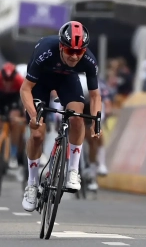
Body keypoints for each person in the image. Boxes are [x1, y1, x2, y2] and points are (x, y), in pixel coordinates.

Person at [20, 21, 102, 212]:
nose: (74, 56)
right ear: (60, 46)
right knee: (38, 133)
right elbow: (25, 89)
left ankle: (73, 171)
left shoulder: (88, 60)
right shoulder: (44, 51)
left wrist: (96, 121)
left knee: (76, 118)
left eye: (79, 52)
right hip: (39, 83)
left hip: (67, 81)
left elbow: (95, 95)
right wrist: (33, 115)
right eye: (69, 51)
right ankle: (32, 183)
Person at [82, 77, 112, 190]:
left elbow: (107, 103)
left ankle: (98, 166)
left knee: (96, 135)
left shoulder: (99, 85)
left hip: (94, 104)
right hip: (77, 104)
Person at [0, 62, 26, 169]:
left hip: (14, 98)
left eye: (11, 80)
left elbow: (25, 98)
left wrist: (24, 115)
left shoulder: (20, 81)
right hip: (2, 98)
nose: (8, 83)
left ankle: (14, 154)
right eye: (6, 80)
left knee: (14, 120)